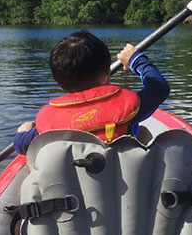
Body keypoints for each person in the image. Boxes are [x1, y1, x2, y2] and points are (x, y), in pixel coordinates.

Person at [13, 31, 169, 155]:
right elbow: (159, 88)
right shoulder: (128, 110)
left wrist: (23, 131)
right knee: (142, 132)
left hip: (75, 191)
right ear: (104, 78)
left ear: (59, 82)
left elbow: (21, 145)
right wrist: (135, 59)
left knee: (34, 157)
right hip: (121, 185)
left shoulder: (46, 127)